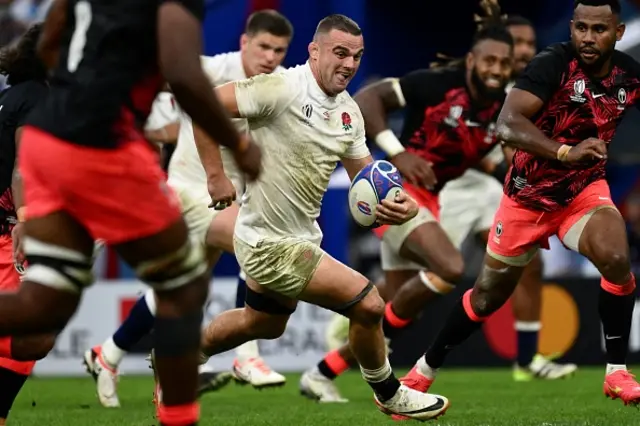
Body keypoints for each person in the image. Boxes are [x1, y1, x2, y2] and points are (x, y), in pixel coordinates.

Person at [9, 1, 261, 426]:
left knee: (42, 306)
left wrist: (83, 88)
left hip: (48, 139)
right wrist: (237, 145)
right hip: (103, 143)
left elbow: (50, 39)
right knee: (182, 286)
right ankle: (179, 418)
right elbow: (184, 74)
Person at [191, 14, 450, 420]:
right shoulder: (280, 88)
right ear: (314, 51)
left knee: (261, 324)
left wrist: (402, 206)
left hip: (295, 237)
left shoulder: (348, 112)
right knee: (368, 304)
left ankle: (182, 358)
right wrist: (215, 175)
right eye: (340, 53)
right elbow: (202, 106)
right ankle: (389, 392)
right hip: (269, 242)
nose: (349, 64)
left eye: (357, 57)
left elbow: (367, 181)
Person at [400, 0, 640, 407]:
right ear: (571, 28)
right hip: (525, 199)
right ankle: (423, 371)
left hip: (582, 193)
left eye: (598, 29)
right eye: (580, 27)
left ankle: (616, 373)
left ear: (618, 33)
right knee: (486, 297)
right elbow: (507, 124)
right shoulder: (553, 64)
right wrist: (565, 152)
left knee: (617, 258)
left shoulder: (628, 76)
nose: (587, 37)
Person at [304, 1, 514, 402]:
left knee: (386, 314)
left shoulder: (500, 107)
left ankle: (321, 372)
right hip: (395, 193)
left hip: (428, 201)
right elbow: (367, 99)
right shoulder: (438, 84)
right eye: (489, 60)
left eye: (504, 64)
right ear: (471, 60)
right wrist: (397, 152)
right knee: (449, 265)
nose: (497, 69)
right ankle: (392, 379)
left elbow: (477, 151)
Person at [83, 9, 292, 407]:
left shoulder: (275, 85)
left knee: (181, 291)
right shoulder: (213, 69)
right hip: (190, 189)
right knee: (258, 239)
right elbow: (158, 66)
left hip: (227, 197)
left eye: (279, 50)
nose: (270, 55)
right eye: (263, 46)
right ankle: (247, 358)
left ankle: (107, 354)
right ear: (245, 42)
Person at [438, 14, 577, 381]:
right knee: (427, 276)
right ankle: (362, 323)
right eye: (520, 43)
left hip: (494, 191)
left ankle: (527, 360)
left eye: (532, 43)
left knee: (529, 264)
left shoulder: (533, 88)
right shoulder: (484, 86)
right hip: (453, 187)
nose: (527, 50)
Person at [0, 23, 57, 426]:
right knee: (35, 334)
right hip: (11, 228)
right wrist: (26, 220)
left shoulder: (11, 97)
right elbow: (24, 168)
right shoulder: (39, 99)